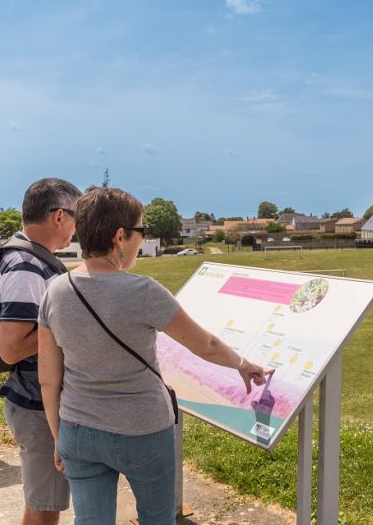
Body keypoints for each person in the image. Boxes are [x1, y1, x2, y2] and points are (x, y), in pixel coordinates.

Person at [37, 187, 273, 525]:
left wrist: (59, 436)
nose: (141, 240)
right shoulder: (143, 291)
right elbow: (204, 344)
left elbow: (48, 377)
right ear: (121, 236)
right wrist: (242, 363)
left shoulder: (54, 291)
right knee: (158, 518)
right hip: (143, 429)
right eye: (141, 232)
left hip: (77, 429)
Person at [0, 177, 81, 525]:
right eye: (77, 218)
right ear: (59, 216)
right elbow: (11, 348)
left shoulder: (31, 258)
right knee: (45, 509)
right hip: (35, 404)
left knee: (45, 502)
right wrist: (63, 320)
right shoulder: (26, 265)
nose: (77, 230)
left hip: (34, 399)